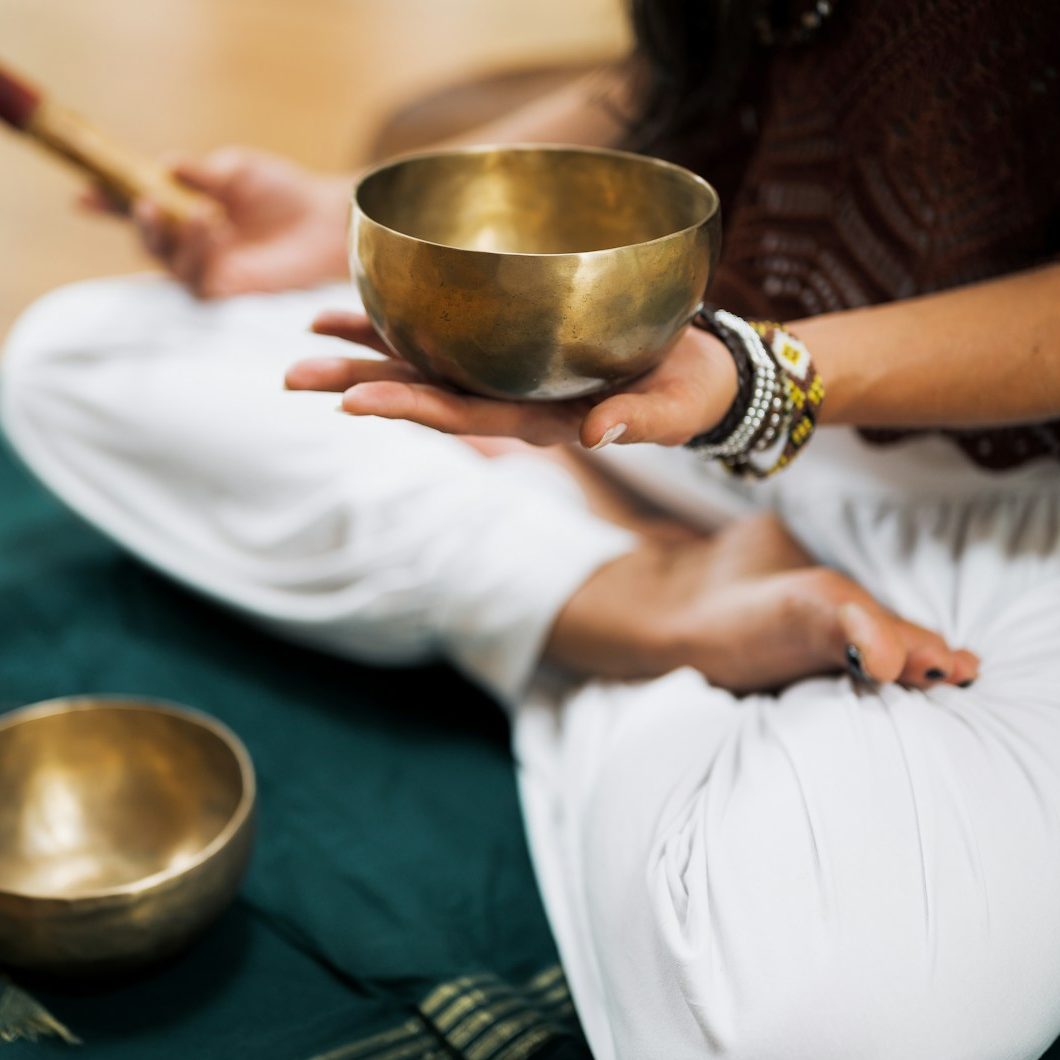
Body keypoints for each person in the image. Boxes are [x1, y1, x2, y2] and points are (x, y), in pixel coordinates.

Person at [3, 0, 1060, 1055]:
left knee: (823, 1032)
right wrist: (346, 225)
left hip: (991, 499)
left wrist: (756, 380)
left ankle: (573, 598)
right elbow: (678, 74)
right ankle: (637, 599)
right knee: (77, 360)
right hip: (671, 388)